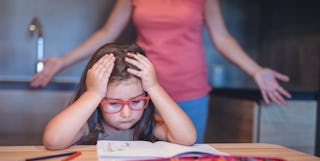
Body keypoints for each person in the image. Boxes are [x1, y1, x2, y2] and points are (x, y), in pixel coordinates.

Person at [32, 0, 291, 143]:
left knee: (182, 158)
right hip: (135, 86)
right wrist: (63, 61)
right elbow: (107, 32)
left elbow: (222, 38)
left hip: (189, 89)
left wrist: (256, 71)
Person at [42, 43, 196, 150]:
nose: (126, 114)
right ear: (98, 102)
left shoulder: (149, 123)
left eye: (136, 101)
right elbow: (53, 141)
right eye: (114, 104)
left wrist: (154, 87)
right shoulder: (87, 126)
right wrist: (93, 93)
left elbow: (187, 138)